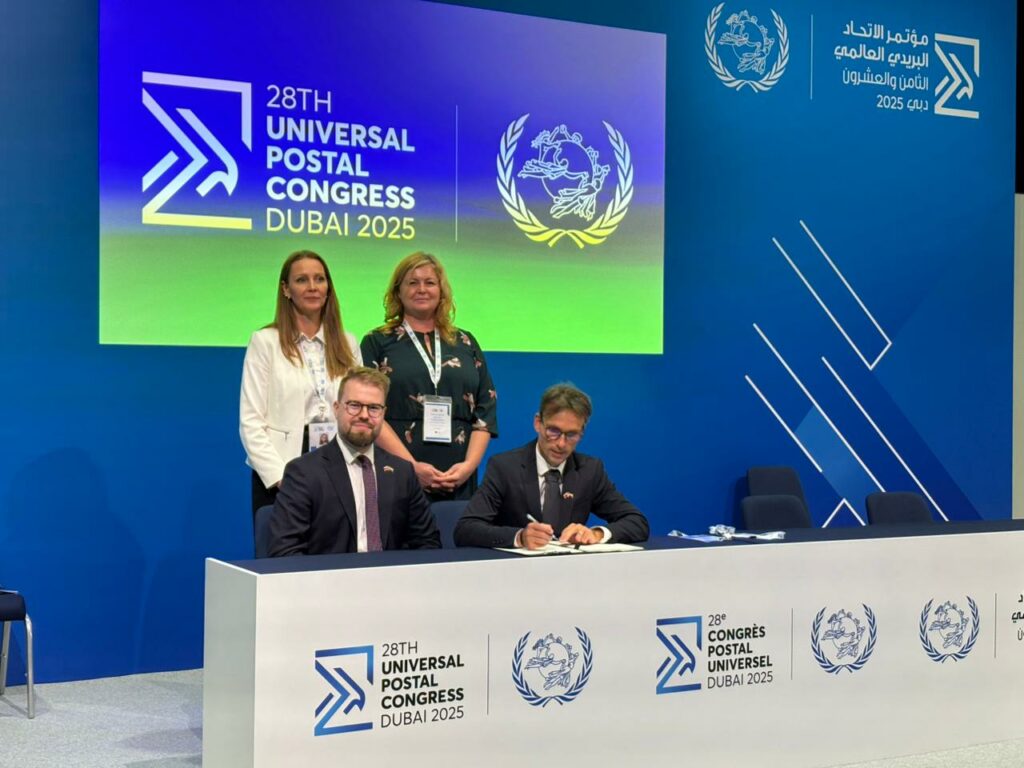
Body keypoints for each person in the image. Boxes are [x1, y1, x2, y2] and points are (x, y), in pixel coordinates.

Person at [361, 252, 497, 501]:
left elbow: (485, 410)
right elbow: (369, 410)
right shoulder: (376, 342)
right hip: (397, 470)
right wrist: (411, 467)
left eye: (430, 282)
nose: (422, 289)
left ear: (441, 291)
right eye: (412, 283)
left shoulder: (466, 341)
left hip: (458, 476)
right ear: (398, 291)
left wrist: (468, 467)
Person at [240, 250, 362, 518]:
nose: (312, 287)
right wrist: (281, 478)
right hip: (282, 470)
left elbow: (357, 410)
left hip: (338, 467)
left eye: (319, 279)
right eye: (302, 280)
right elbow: (251, 422)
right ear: (286, 289)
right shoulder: (265, 342)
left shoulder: (348, 343)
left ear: (328, 288)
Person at [268, 367, 440, 556]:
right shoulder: (303, 473)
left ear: (383, 413)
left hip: (391, 574)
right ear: (336, 409)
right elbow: (285, 551)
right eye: (354, 405)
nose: (364, 415)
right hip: (330, 574)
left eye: (374, 408)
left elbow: (428, 543)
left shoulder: (402, 472)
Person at [453, 383, 649, 549]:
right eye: (553, 431)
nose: (561, 444)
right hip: (516, 573)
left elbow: (637, 522)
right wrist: (520, 537)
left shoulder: (589, 470)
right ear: (538, 423)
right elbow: (466, 529)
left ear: (582, 433)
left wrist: (596, 534)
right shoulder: (505, 467)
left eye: (571, 435)